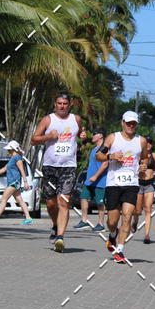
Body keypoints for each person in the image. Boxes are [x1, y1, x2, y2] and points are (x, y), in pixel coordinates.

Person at [31, 92, 87, 252]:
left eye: (65, 103)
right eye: (59, 103)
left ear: (69, 105)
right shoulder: (48, 120)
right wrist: (48, 136)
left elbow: (81, 131)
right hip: (50, 166)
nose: (62, 106)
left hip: (68, 167)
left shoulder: (76, 119)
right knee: (50, 203)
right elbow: (33, 140)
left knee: (63, 202)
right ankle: (55, 225)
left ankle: (60, 237)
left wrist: (82, 134)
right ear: (55, 104)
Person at [96, 111, 148, 264]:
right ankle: (113, 234)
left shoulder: (141, 141)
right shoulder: (113, 138)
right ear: (122, 123)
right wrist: (111, 156)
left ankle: (119, 250)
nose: (131, 126)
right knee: (112, 221)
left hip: (131, 184)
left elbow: (145, 157)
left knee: (127, 216)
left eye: (133, 123)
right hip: (113, 184)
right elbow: (98, 156)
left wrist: (143, 166)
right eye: (128, 123)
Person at [0, 140, 33, 225]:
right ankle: (28, 218)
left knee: (3, 199)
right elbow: (4, 169)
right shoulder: (12, 159)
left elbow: (22, 170)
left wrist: (25, 182)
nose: (7, 151)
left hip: (14, 182)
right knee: (20, 201)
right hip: (13, 183)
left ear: (12, 149)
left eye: (8, 150)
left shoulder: (17, 158)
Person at [74, 129, 108, 231]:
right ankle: (84, 220)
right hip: (89, 180)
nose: (92, 136)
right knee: (83, 197)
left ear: (100, 136)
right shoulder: (93, 150)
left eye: (94, 134)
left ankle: (100, 224)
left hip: (100, 180)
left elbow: (105, 164)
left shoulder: (105, 149)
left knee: (100, 202)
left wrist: (96, 176)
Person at [131, 135, 155, 244]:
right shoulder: (138, 155)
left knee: (148, 209)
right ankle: (135, 222)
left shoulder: (154, 156)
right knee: (137, 211)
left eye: (150, 142)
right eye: (146, 142)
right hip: (139, 183)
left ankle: (147, 235)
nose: (148, 144)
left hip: (149, 184)